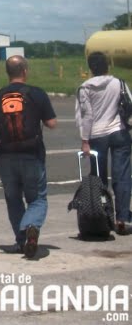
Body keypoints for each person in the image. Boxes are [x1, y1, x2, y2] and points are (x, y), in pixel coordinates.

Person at [0, 55, 57, 258]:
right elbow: (51, 123)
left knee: (13, 199)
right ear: (25, 71)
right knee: (37, 199)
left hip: (6, 156)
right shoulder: (37, 94)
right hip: (32, 154)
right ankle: (31, 226)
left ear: (7, 73)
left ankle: (22, 241)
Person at [75, 51, 131, 234]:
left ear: (90, 68)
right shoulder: (118, 83)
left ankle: (103, 214)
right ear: (107, 65)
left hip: (97, 135)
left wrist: (85, 141)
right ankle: (122, 218)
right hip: (119, 131)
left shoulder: (85, 87)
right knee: (121, 175)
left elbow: (87, 116)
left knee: (99, 178)